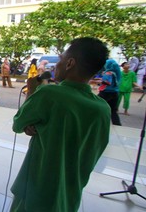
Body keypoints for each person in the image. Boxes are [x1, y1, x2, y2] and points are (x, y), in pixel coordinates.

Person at [10, 37, 110, 212]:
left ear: (70, 63)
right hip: (68, 196)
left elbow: (18, 123)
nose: (56, 66)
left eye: (61, 60)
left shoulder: (49, 94)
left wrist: (32, 90)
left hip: (37, 191)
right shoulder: (103, 109)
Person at [98, 58, 122, 126]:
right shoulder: (116, 73)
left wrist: (98, 82)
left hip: (106, 93)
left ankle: (98, 122)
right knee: (113, 111)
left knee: (96, 105)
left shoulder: (108, 73)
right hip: (115, 93)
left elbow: (107, 82)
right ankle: (117, 124)